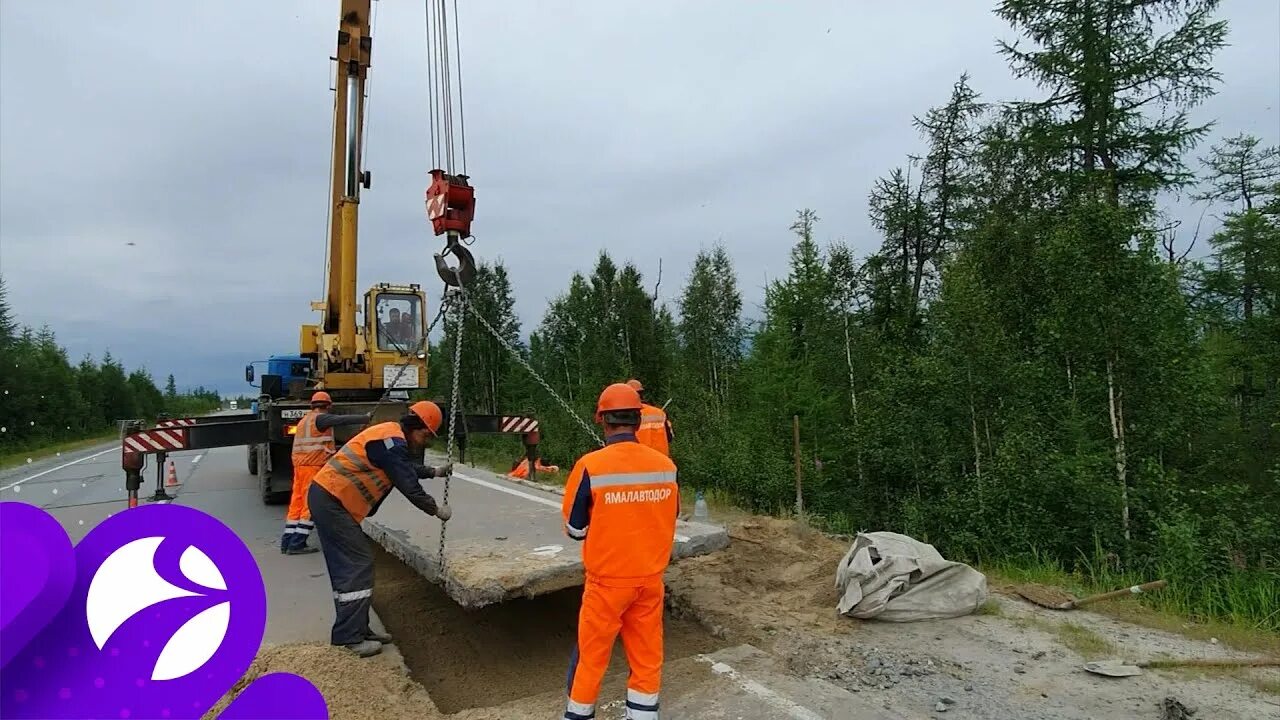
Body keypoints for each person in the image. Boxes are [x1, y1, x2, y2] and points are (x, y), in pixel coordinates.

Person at [561, 383, 679, 720]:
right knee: (646, 657)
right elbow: (669, 514)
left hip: (607, 584)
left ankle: (578, 716)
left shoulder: (590, 465)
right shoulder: (665, 467)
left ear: (603, 420)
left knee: (591, 657)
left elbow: (575, 529)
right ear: (639, 421)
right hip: (650, 580)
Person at [308, 400, 454, 658]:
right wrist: (435, 509)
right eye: (424, 435)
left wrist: (434, 471)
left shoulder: (391, 440)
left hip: (333, 500)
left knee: (353, 566)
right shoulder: (391, 443)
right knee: (356, 564)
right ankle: (348, 638)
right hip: (332, 500)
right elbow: (408, 483)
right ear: (414, 426)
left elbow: (403, 469)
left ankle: (359, 629)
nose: (424, 441)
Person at [281, 391, 371, 555]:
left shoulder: (305, 421)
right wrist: (364, 418)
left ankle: (287, 541)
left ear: (312, 404)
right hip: (312, 468)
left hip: (300, 467)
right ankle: (297, 544)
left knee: (297, 504)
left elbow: (321, 445)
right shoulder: (320, 419)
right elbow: (340, 420)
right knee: (309, 506)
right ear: (328, 406)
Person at [627, 379, 673, 457]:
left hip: (640, 460)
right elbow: (670, 437)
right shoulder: (660, 414)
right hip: (662, 462)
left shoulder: (626, 415)